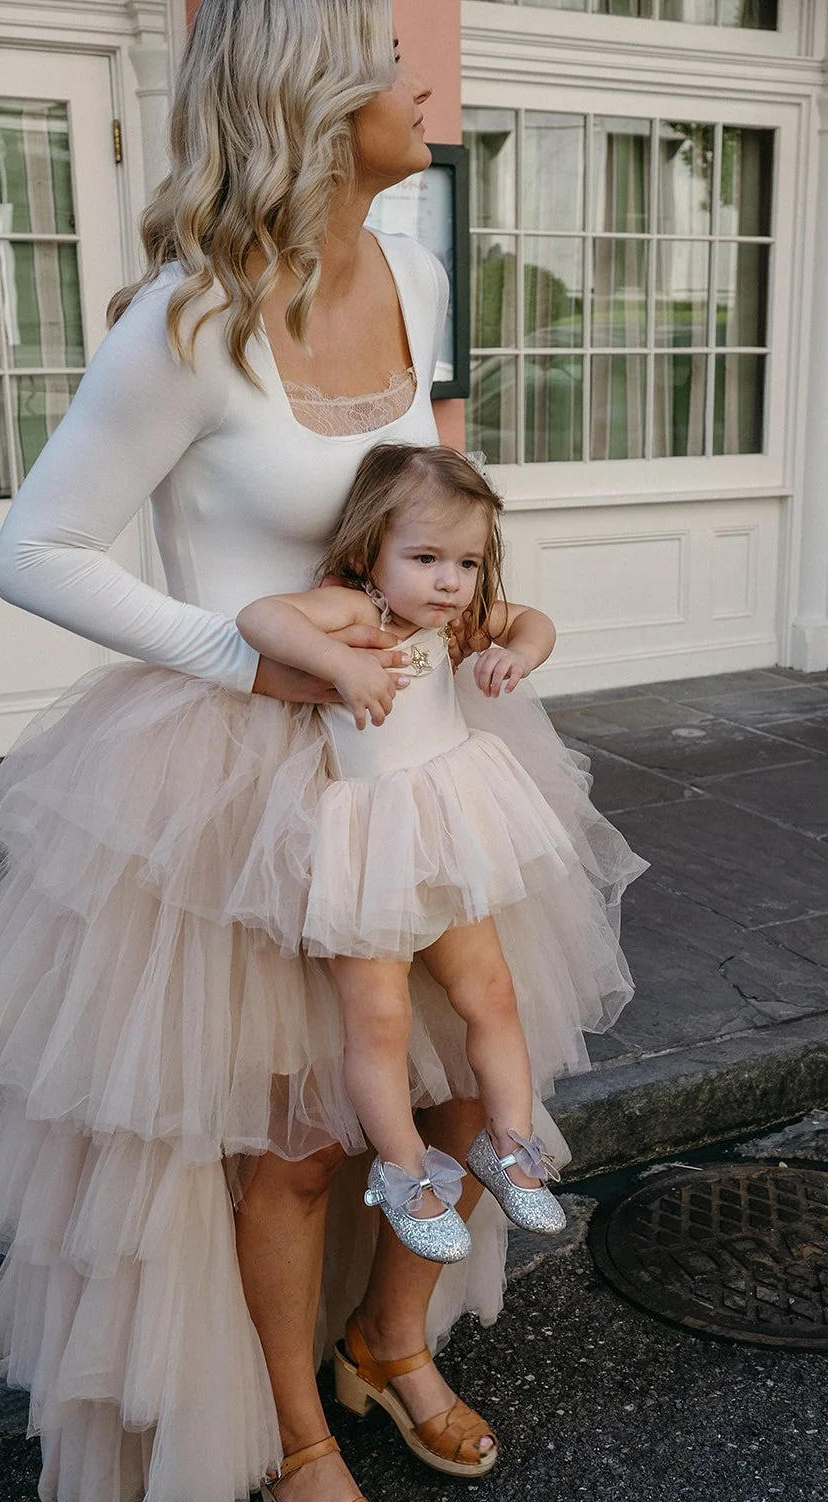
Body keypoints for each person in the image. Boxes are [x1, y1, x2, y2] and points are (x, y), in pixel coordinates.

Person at [0, 0, 645, 1502]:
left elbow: (420, 506)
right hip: (242, 781)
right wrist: (248, 665)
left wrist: (490, 605)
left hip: (425, 748)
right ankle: (298, 1439)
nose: (418, 76)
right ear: (310, 100)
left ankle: (388, 1343)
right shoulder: (186, 319)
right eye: (386, 55)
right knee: (300, 1137)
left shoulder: (414, 270)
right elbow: (31, 551)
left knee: (457, 1075)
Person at [235, 442, 636, 1266]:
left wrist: (516, 654)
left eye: (464, 562)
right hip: (370, 851)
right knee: (376, 1019)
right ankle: (405, 1171)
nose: (449, 581)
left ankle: (511, 1145)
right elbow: (259, 620)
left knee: (491, 993)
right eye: (424, 558)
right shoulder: (355, 613)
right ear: (365, 556)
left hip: (453, 834)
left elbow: (533, 622)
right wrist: (339, 662)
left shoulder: (451, 620)